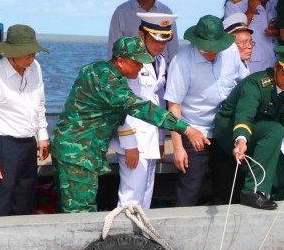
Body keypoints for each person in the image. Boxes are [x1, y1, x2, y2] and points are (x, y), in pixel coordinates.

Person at [52, 36, 207, 213]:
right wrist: (185, 128)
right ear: (120, 61)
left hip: (75, 149)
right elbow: (140, 108)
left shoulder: (96, 69)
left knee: (71, 207)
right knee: (79, 212)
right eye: (137, 62)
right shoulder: (109, 83)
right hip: (77, 153)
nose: (141, 67)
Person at [213, 48, 284, 210]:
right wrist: (241, 140)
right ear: (276, 68)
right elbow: (245, 115)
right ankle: (253, 191)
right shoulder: (257, 83)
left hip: (265, 137)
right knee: (275, 129)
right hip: (233, 133)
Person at [0, 24, 50, 216]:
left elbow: (39, 102)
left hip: (28, 143)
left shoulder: (35, 68)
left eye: (33, 52)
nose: (31, 57)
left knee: (25, 199)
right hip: (3, 145)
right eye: (26, 53)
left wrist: (42, 134)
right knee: (1, 200)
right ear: (11, 52)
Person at [164, 15, 241, 206]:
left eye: (217, 48)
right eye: (207, 50)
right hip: (194, 131)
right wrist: (178, 147)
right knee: (191, 186)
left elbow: (242, 82)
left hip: (225, 128)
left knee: (228, 185)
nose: (213, 53)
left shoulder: (231, 51)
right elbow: (174, 106)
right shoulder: (181, 62)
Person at [112, 13, 175, 209]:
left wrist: (161, 140)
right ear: (142, 35)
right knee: (131, 197)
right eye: (156, 39)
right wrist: (129, 143)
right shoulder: (131, 62)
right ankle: (125, 238)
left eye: (165, 40)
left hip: (150, 139)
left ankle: (141, 238)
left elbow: (155, 102)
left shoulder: (160, 61)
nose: (161, 45)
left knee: (146, 194)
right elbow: (121, 104)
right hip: (134, 139)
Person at [109, 0, 179, 62]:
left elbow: (173, 47)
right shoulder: (122, 12)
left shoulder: (166, 12)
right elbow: (114, 46)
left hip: (161, 69)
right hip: (132, 70)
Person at [224, 0, 279, 73]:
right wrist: (249, 12)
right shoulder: (235, 4)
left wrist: (275, 32)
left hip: (276, 62)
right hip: (254, 64)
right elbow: (232, 37)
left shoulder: (276, 1)